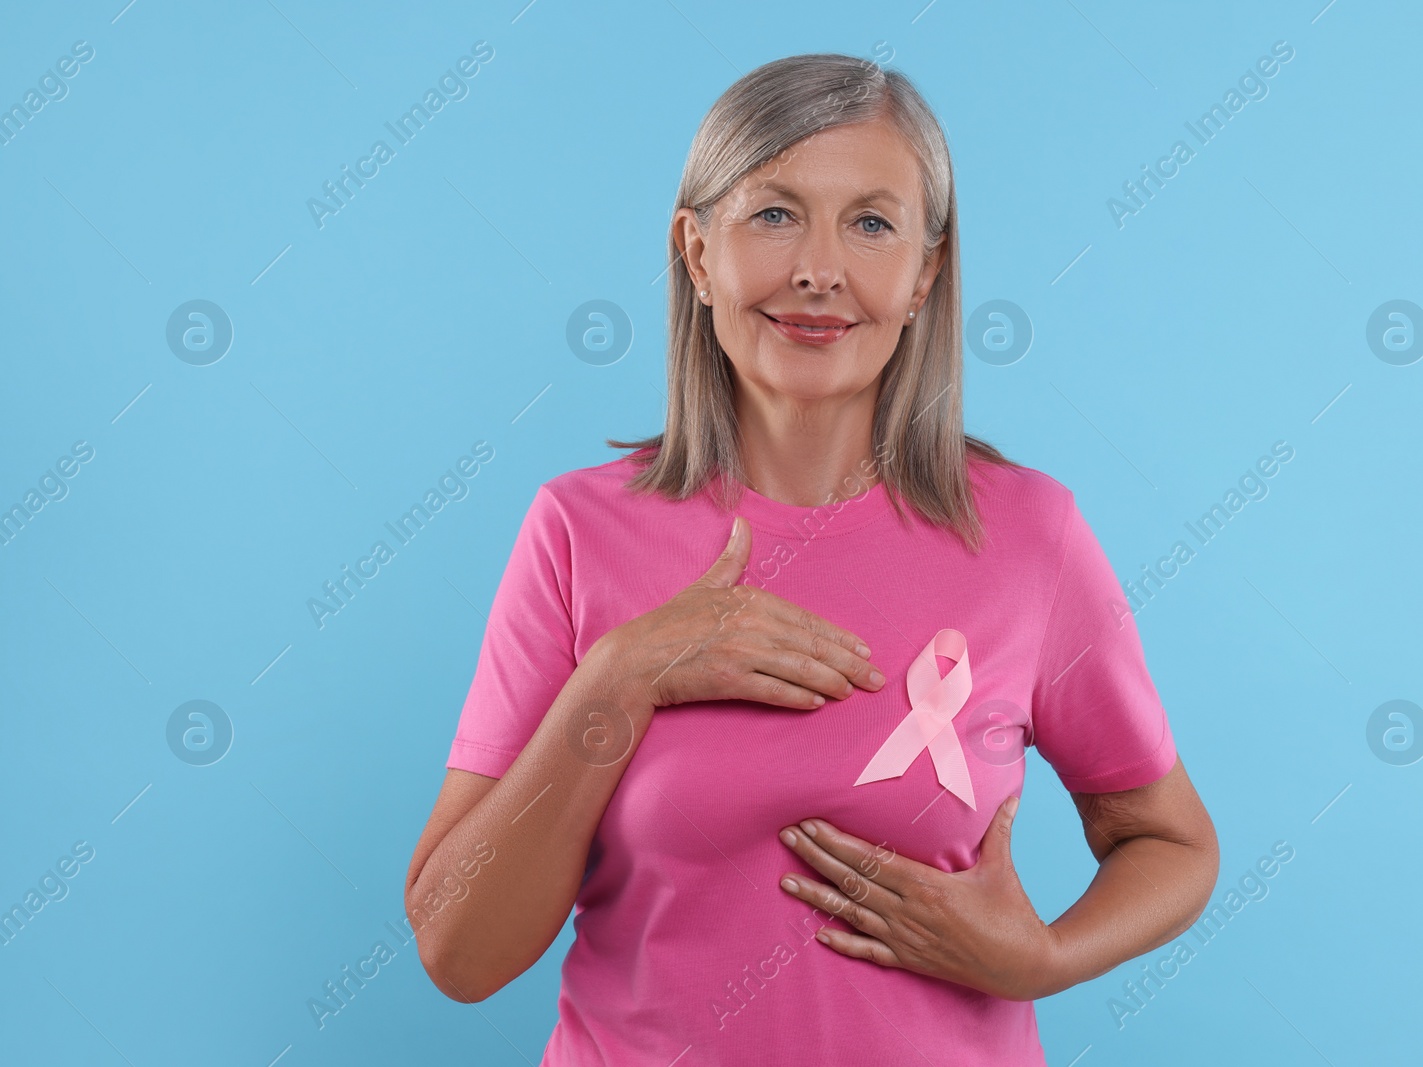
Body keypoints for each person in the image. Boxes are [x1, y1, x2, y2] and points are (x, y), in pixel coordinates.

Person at [405, 52, 1218, 1065]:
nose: (818, 269)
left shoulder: (1026, 535)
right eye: (774, 214)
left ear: (926, 271)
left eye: (871, 223)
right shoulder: (578, 528)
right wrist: (621, 675)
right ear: (696, 253)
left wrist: (1041, 957)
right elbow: (458, 948)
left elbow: (1172, 840)